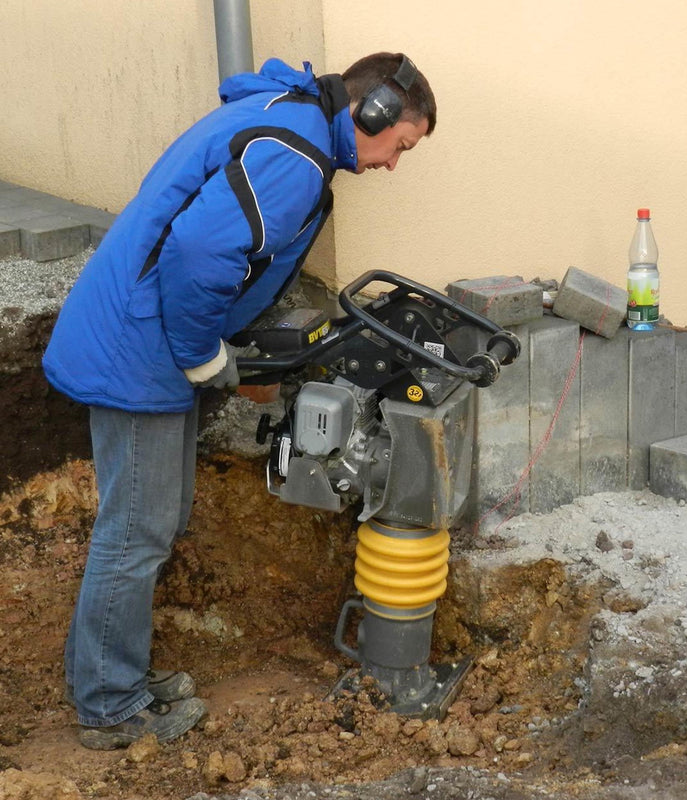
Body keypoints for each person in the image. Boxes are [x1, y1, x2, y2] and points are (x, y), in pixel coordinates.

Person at [42, 51, 436, 750]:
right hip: (142, 347)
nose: (391, 165)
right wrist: (202, 356)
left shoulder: (286, 119)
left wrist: (237, 343)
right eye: (399, 145)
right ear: (370, 113)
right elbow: (198, 253)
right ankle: (109, 705)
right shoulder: (297, 154)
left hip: (141, 334)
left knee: (150, 523)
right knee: (136, 533)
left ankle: (108, 672)